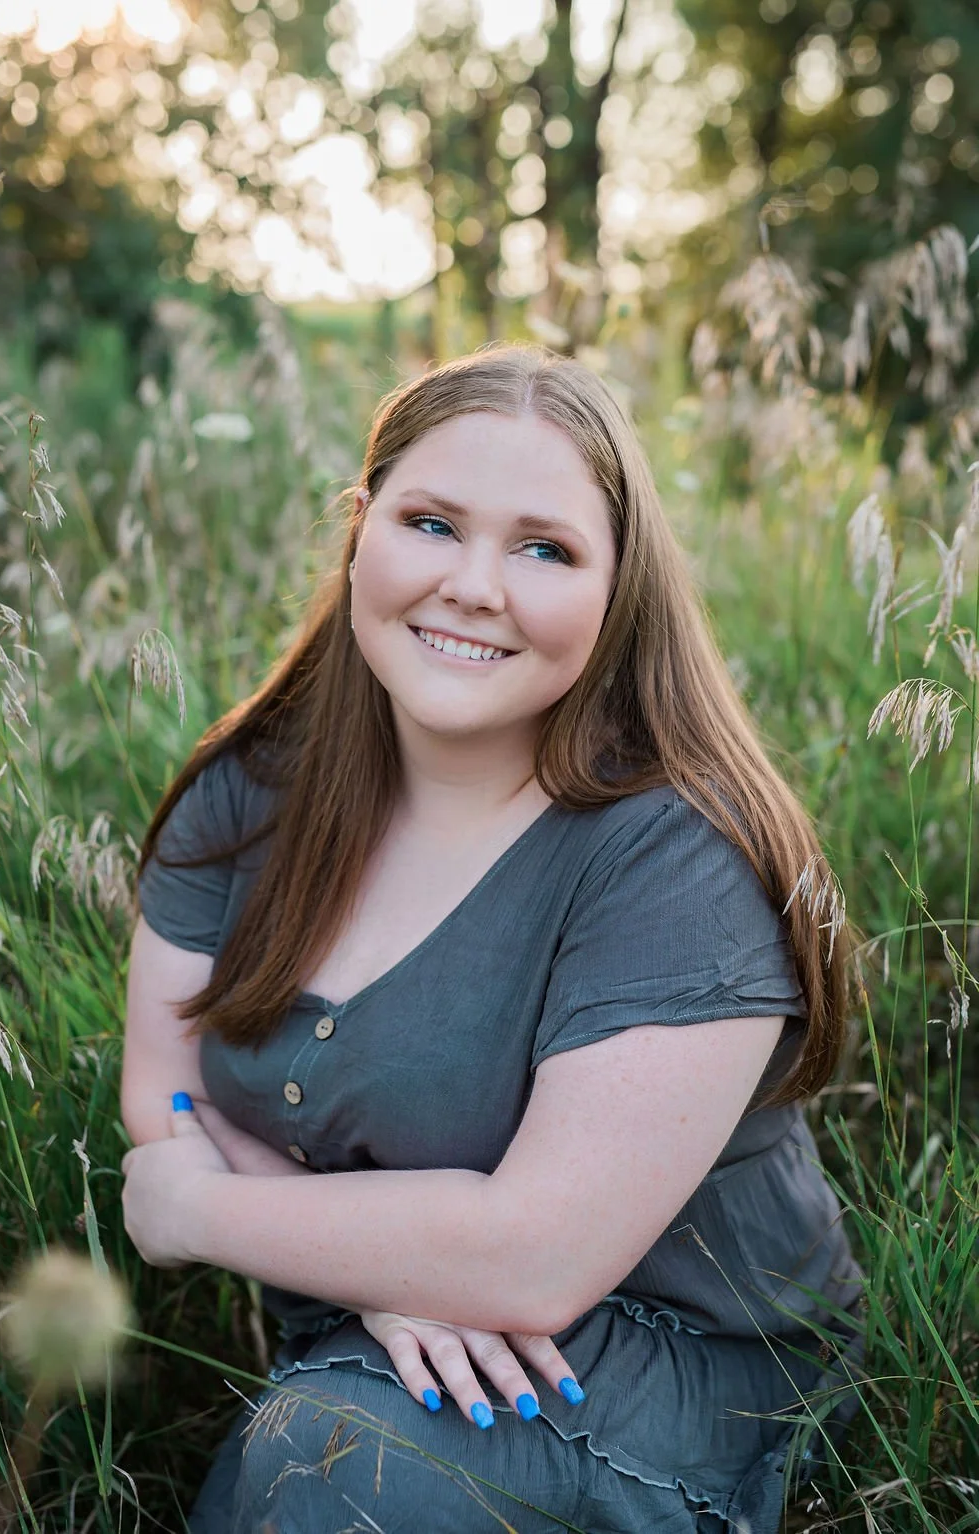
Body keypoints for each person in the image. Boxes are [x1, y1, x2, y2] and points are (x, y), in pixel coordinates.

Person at [120, 343, 863, 1534]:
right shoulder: (250, 790)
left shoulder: (675, 857)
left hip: (669, 1356)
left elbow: (533, 1258)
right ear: (360, 529)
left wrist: (190, 1213)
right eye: (430, 523)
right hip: (391, 1333)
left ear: (616, 590)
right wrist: (393, 1277)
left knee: (326, 1468)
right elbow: (163, 1093)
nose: (473, 584)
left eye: (543, 548)